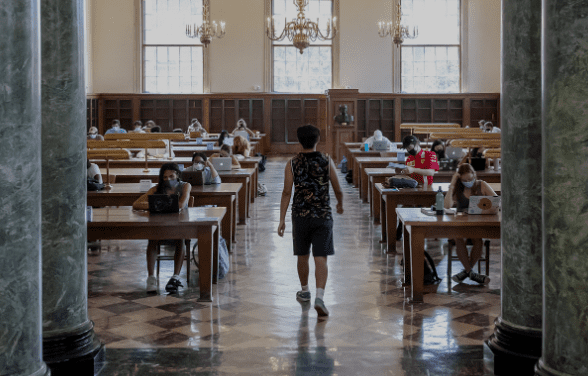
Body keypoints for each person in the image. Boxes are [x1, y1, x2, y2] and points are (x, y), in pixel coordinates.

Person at [277, 124, 344, 317]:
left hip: (300, 216)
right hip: (323, 215)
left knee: (302, 255)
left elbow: (286, 192)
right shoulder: (326, 160)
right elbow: (337, 187)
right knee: (321, 256)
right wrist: (339, 204)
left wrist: (282, 219)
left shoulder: (292, 163)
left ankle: (305, 291)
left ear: (299, 140)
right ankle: (320, 297)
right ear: (318, 139)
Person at [132, 163, 192, 293]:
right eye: (165, 177)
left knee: (180, 239)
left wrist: (158, 205)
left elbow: (181, 204)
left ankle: (175, 277)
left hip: (179, 226)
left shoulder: (185, 186)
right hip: (159, 226)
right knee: (152, 238)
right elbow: (136, 204)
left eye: (171, 176)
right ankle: (151, 278)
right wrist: (154, 205)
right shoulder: (157, 189)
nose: (168, 179)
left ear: (177, 175)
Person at [444, 163, 497, 285]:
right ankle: (471, 273)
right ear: (459, 178)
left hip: (477, 222)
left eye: (470, 178)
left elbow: (496, 202)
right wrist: (452, 183)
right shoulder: (458, 188)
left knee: (478, 240)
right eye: (464, 180)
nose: (468, 182)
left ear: (474, 175)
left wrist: (484, 210)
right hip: (460, 223)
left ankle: (467, 272)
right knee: (458, 239)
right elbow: (447, 206)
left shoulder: (481, 185)